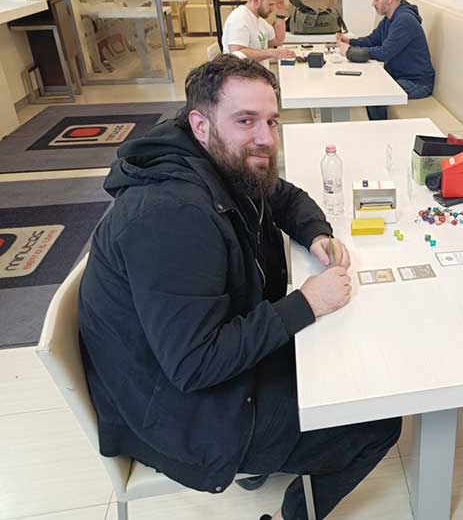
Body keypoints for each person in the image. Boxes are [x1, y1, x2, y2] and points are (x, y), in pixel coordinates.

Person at [78, 56, 401, 520]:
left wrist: (315, 233)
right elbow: (195, 363)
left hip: (186, 367)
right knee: (378, 420)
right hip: (181, 413)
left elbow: (283, 196)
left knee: (341, 359)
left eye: (272, 121)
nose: (266, 137)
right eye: (246, 120)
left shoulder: (215, 160)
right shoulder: (172, 215)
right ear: (200, 124)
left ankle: (273, 458)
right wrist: (306, 303)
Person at [336, 0, 435, 121]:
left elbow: (384, 53)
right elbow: (372, 40)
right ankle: (376, 126)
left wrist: (350, 52)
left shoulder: (404, 20)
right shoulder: (390, 18)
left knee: (375, 91)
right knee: (371, 86)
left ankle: (379, 129)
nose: (373, 3)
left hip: (417, 83)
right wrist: (350, 41)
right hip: (399, 77)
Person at [222, 0, 295, 62]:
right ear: (256, 1)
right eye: (270, 4)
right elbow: (237, 54)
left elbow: (277, 40)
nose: (273, 9)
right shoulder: (239, 18)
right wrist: (271, 52)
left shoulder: (259, 20)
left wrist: (281, 14)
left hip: (258, 69)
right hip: (243, 70)